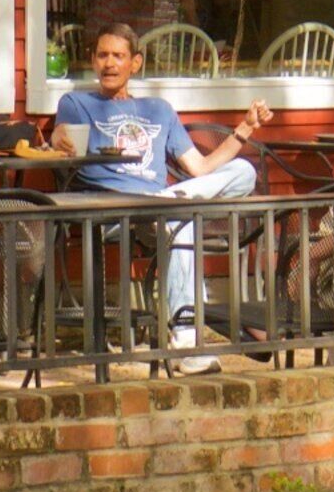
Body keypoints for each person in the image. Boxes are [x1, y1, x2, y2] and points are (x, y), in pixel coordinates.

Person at [52, 27, 273, 372]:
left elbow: (200, 167)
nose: (108, 63)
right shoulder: (76, 103)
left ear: (135, 63)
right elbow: (64, 140)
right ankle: (186, 343)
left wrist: (244, 130)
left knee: (243, 171)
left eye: (118, 56)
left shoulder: (159, 109)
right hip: (114, 208)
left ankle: (170, 201)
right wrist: (57, 139)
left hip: (159, 204)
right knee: (180, 220)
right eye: (102, 55)